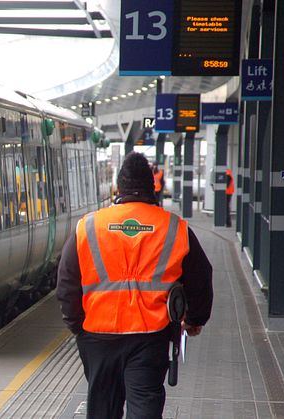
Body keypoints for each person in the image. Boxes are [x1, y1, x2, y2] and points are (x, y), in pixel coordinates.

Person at [57, 152, 213, 419]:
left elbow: (67, 282)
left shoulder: (88, 227)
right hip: (150, 337)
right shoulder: (175, 228)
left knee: (102, 410)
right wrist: (194, 319)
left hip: (97, 337)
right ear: (152, 186)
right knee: (145, 408)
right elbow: (201, 277)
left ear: (118, 187)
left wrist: (77, 326)